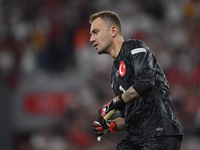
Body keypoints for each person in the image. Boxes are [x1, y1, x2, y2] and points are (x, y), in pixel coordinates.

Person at [89, 11, 183, 150]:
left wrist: (112, 104)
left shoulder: (134, 47)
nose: (91, 39)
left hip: (160, 133)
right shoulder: (113, 75)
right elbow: (129, 118)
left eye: (95, 32)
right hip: (137, 137)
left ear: (113, 31)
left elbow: (146, 81)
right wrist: (110, 126)